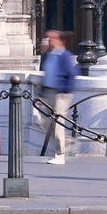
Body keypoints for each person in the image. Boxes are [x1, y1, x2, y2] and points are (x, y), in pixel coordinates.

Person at [38, 30, 78, 165]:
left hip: (60, 95)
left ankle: (60, 155)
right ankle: (67, 141)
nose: (48, 41)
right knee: (44, 122)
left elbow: (71, 74)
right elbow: (45, 73)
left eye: (51, 39)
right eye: (47, 39)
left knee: (58, 124)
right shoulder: (48, 55)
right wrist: (42, 94)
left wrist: (64, 92)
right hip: (49, 93)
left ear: (60, 41)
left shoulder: (65, 55)